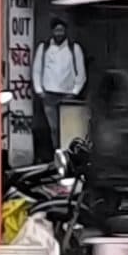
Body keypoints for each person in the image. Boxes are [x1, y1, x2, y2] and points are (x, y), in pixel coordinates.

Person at [33, 20, 87, 155]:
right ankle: (57, 156)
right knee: (54, 130)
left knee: (69, 129)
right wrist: (39, 90)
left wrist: (74, 92)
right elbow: (37, 70)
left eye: (61, 31)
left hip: (68, 97)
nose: (59, 34)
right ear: (52, 31)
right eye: (56, 31)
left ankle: (69, 156)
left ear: (66, 31)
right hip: (49, 95)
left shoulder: (74, 48)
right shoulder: (44, 48)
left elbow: (81, 73)